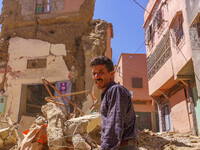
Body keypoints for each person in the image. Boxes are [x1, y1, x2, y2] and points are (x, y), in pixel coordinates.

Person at [90, 56, 139, 150]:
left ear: (111, 74)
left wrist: (106, 148)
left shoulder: (115, 90)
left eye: (100, 72)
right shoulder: (109, 93)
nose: (96, 77)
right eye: (94, 73)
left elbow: (114, 123)